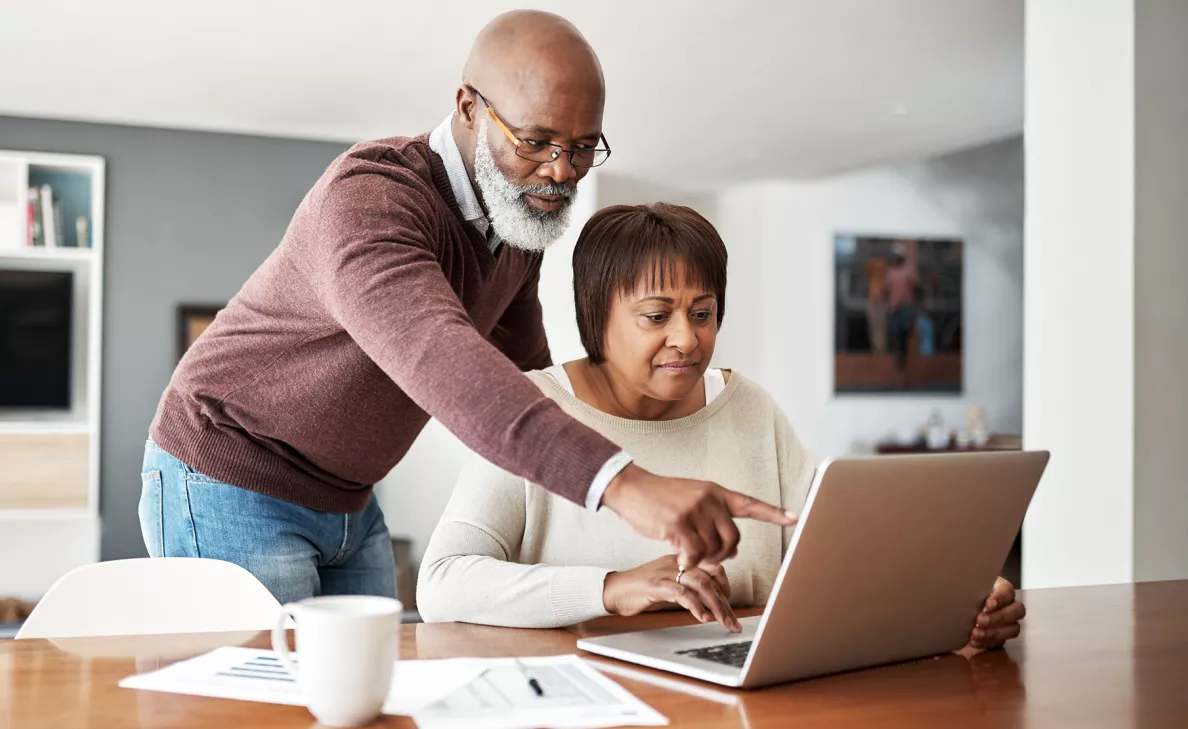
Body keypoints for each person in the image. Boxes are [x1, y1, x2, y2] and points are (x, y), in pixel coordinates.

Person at [139, 11, 792, 605]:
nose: (561, 172)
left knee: (368, 694)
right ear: (468, 107)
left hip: (350, 501)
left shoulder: (516, 225)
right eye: (537, 141)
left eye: (583, 147)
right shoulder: (369, 200)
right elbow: (448, 363)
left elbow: (531, 375)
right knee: (262, 702)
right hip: (229, 474)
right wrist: (626, 484)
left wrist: (662, 428)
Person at [417, 204, 1024, 652]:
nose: (687, 339)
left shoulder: (749, 407)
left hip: (740, 687)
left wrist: (955, 602)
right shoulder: (530, 410)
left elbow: (839, 557)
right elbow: (441, 583)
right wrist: (612, 588)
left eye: (703, 314)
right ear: (594, 317)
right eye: (657, 316)